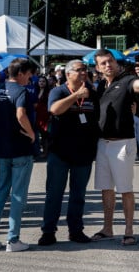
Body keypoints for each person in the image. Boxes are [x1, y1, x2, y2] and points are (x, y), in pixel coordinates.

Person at [90, 49, 139, 247]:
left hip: (122, 143)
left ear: (116, 63)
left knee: (125, 189)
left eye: (110, 61)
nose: (108, 65)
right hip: (103, 143)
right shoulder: (100, 86)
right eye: (103, 63)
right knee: (106, 189)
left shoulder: (128, 81)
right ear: (98, 68)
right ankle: (107, 229)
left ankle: (128, 231)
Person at [38, 59, 100, 246]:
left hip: (84, 152)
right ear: (68, 74)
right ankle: (48, 231)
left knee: (78, 195)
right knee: (54, 195)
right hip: (60, 152)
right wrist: (76, 96)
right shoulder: (58, 91)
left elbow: (99, 116)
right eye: (79, 70)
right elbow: (54, 109)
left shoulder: (92, 93)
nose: (84, 73)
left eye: (85, 70)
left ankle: (76, 230)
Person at [0, 59, 37, 252]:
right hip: (20, 149)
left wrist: (2, 132)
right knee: (18, 195)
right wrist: (31, 134)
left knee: (1, 194)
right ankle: (13, 240)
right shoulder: (22, 92)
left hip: (3, 150)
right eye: (29, 74)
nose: (31, 78)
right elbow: (21, 114)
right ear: (20, 73)